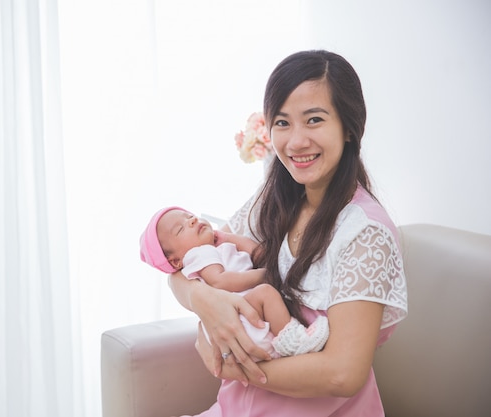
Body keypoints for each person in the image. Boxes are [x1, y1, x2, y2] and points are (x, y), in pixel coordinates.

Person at [167, 50, 408, 416]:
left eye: (314, 120)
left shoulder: (365, 232)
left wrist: (240, 369)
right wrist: (205, 302)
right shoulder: (276, 198)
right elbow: (185, 263)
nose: (295, 142)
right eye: (282, 122)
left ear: (349, 128)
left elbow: (343, 374)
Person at [140, 206, 329, 358]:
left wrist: (230, 238)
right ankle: (295, 341)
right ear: (175, 261)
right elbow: (220, 282)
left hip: (248, 319)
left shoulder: (218, 248)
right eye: (180, 228)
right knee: (266, 293)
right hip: (239, 321)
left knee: (266, 294)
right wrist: (265, 275)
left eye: (190, 216)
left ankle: (291, 339)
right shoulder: (198, 254)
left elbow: (260, 254)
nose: (192, 221)